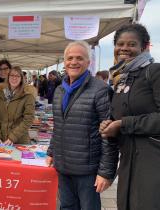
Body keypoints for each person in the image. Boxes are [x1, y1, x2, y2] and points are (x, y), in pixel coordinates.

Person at [46, 41, 118, 210]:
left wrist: (105, 173)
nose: (74, 62)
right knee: (67, 207)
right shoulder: (59, 90)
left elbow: (109, 135)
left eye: (79, 58)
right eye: (70, 58)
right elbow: (58, 126)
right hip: (63, 166)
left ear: (88, 62)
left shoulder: (100, 90)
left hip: (87, 170)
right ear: (64, 62)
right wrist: (51, 151)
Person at [99, 23, 160, 210]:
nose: (124, 48)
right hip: (127, 164)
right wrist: (109, 126)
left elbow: (125, 122)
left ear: (144, 47)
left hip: (152, 163)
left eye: (131, 44)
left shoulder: (155, 72)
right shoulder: (120, 79)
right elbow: (118, 118)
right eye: (120, 44)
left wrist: (123, 124)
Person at [0, 67, 36, 145]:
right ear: (8, 77)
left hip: (19, 141)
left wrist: (13, 137)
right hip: (1, 140)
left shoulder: (28, 96)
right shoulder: (0, 94)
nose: (14, 78)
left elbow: (28, 119)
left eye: (17, 76)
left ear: (21, 78)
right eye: (12, 75)